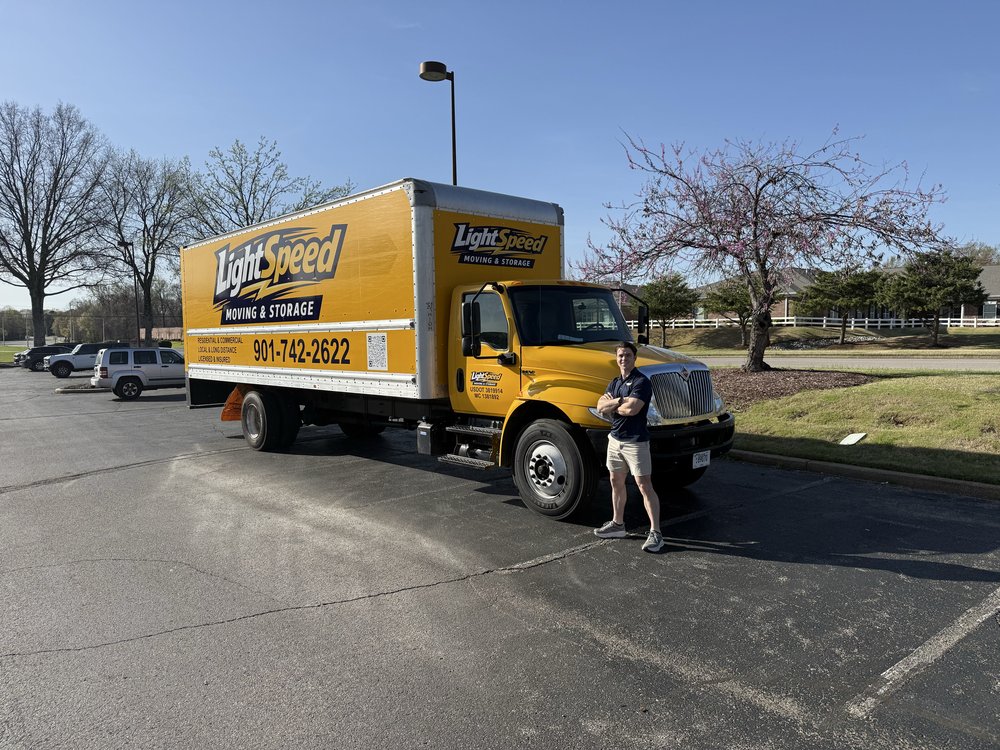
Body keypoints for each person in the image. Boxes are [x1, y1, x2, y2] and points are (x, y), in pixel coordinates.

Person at [593, 341, 664, 553]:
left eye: (627, 355)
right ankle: (618, 525)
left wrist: (614, 403)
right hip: (615, 440)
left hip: (636, 442)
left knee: (644, 486)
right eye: (620, 355)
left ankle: (656, 534)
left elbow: (632, 410)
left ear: (635, 358)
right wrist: (620, 401)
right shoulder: (615, 382)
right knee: (616, 482)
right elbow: (599, 406)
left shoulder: (642, 382)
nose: (623, 359)